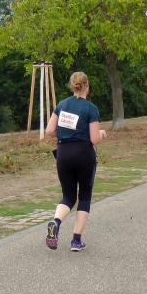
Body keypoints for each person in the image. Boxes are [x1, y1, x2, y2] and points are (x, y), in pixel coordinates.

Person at [44, 72, 106, 251]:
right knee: (84, 196)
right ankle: (76, 240)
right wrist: (101, 133)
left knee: (68, 196)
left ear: (72, 86)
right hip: (84, 154)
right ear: (87, 85)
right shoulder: (91, 108)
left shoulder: (62, 105)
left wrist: (66, 133)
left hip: (63, 153)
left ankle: (56, 222)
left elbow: (50, 130)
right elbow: (94, 139)